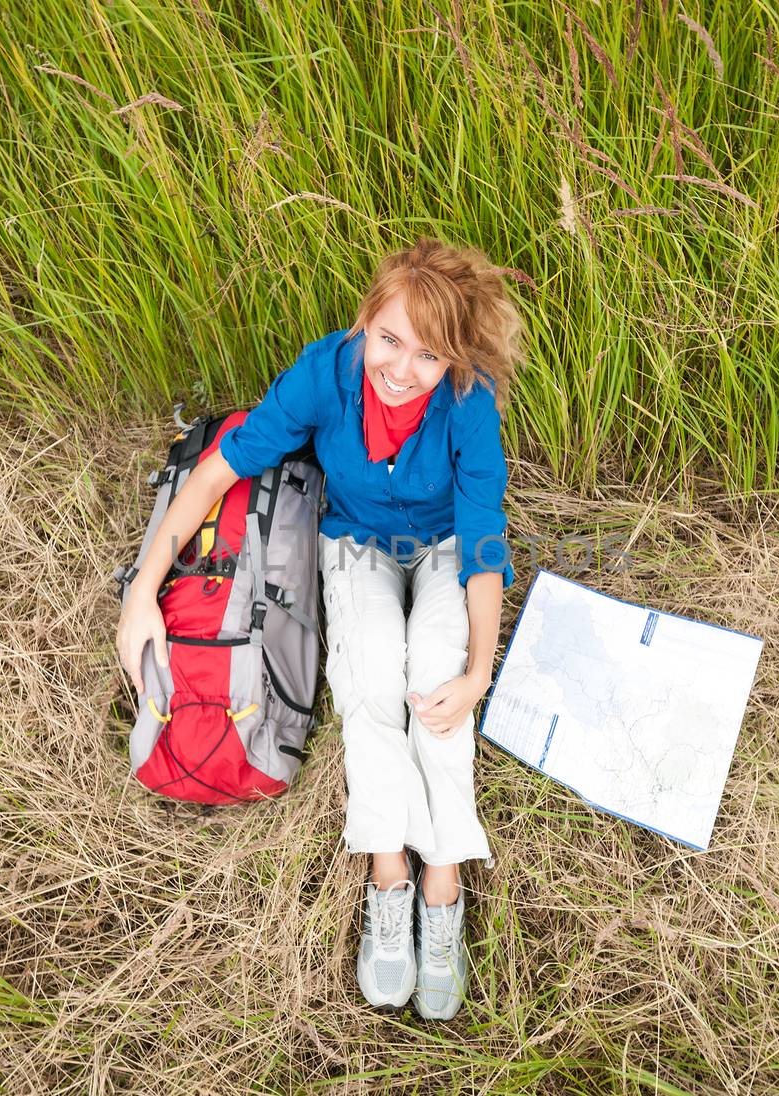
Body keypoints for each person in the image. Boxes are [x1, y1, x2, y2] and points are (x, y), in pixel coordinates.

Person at [116, 237, 523, 1019]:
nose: (402, 371)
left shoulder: (471, 405)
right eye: (391, 340)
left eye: (429, 356)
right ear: (365, 319)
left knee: (436, 683)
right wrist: (143, 594)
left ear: (455, 360)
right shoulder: (325, 373)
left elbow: (481, 540)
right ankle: (388, 871)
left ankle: (444, 884)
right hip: (358, 543)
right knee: (370, 680)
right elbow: (218, 470)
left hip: (442, 549)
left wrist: (479, 671)